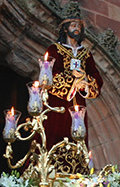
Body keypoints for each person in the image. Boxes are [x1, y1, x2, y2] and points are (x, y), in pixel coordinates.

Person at [43, 13, 103, 149]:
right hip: (58, 103)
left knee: (78, 138)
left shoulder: (86, 54)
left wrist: (85, 82)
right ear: (65, 28)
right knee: (56, 135)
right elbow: (49, 74)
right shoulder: (55, 49)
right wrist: (73, 81)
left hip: (79, 102)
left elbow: (96, 77)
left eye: (79, 26)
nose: (77, 29)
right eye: (73, 25)